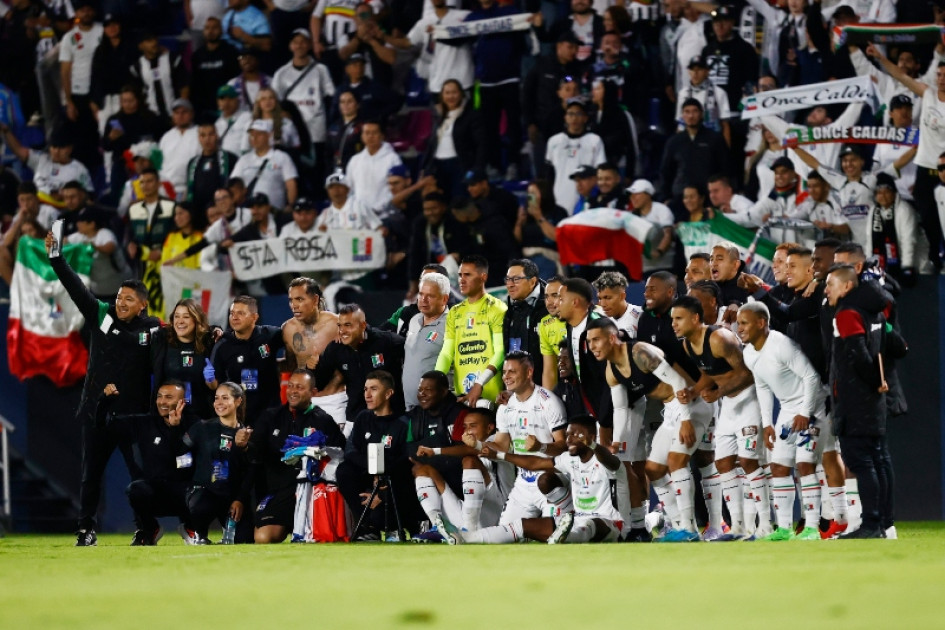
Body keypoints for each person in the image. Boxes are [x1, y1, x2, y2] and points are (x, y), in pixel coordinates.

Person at [44, 231, 162, 546]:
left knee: (140, 474)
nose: (120, 302)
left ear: (142, 305)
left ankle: (146, 528)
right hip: (98, 411)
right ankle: (85, 530)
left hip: (134, 415)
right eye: (119, 297)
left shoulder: (152, 328)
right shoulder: (102, 314)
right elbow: (75, 287)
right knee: (90, 474)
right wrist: (56, 257)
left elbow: (152, 345)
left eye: (128, 299)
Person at [439, 414, 628, 545]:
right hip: (576, 520)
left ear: (591, 437)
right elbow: (535, 463)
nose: (568, 439)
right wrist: (500, 456)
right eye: (568, 434)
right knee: (523, 526)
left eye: (575, 435)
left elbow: (609, 460)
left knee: (588, 526)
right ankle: (465, 538)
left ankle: (563, 537)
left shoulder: (609, 464)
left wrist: (593, 445)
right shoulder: (569, 460)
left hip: (611, 523)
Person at [672, 295, 770, 539]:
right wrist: (694, 391)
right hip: (728, 403)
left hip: (749, 399)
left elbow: (747, 373)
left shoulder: (719, 338)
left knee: (748, 462)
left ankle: (765, 525)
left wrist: (717, 392)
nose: (674, 323)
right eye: (673, 319)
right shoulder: (688, 345)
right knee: (723, 463)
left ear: (695, 318)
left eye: (679, 318)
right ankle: (737, 527)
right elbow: (710, 373)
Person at [737, 301, 829, 541]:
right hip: (788, 410)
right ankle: (785, 529)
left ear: (761, 323)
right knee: (778, 466)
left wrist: (805, 413)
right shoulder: (748, 353)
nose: (740, 328)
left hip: (814, 406)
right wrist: (768, 423)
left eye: (744, 323)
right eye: (738, 323)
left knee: (805, 463)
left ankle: (811, 528)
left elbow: (811, 377)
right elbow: (763, 386)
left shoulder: (782, 345)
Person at [824, 264, 890, 539]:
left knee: (861, 463)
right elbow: (896, 344)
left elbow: (858, 355)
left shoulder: (847, 314)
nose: (826, 290)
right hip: (872, 400)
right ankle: (883, 523)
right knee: (874, 460)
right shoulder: (874, 312)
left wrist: (873, 380)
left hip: (854, 400)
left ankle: (871, 525)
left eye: (830, 284)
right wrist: (880, 381)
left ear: (847, 286)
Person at [866, 42, 945, 269]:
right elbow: (900, 76)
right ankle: (934, 256)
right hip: (925, 168)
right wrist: (880, 57)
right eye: (938, 74)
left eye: (944, 75)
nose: (940, 78)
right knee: (928, 219)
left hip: (944, 170)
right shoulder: (927, 94)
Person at [250, 369, 346, 544]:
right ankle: (289, 524)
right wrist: (244, 445)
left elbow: (340, 456)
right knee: (263, 538)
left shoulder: (323, 421)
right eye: (291, 386)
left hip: (312, 492)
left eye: (300, 387)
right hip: (280, 491)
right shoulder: (270, 417)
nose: (293, 391)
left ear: (313, 393)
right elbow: (254, 452)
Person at [335, 370, 414, 540]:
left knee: (403, 476)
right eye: (365, 389)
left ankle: (387, 524)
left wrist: (382, 483)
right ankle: (368, 526)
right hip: (369, 477)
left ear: (388, 393)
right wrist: (375, 470)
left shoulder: (403, 422)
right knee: (344, 470)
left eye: (374, 389)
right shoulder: (363, 417)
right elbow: (350, 451)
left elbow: (405, 459)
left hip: (392, 483)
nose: (367, 395)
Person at [412, 406, 513, 534]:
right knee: (423, 470)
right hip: (471, 514)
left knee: (469, 461)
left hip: (500, 509)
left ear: (489, 428)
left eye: (473, 426)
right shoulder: (466, 446)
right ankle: (438, 526)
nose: (468, 431)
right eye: (465, 427)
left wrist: (435, 451)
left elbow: (473, 450)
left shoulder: (498, 442)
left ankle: (471, 528)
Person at [182, 381, 254, 544]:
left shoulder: (246, 435)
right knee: (200, 505)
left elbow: (250, 471)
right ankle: (195, 531)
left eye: (225, 398)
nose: (219, 403)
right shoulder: (202, 427)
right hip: (205, 493)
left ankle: (229, 529)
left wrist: (240, 499)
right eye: (216, 398)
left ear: (238, 401)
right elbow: (178, 452)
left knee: (245, 540)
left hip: (231, 498)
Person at [434, 254, 508, 407]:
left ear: (483, 277)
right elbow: (447, 352)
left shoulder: (498, 308)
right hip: (462, 395)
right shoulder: (454, 312)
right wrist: (435, 378)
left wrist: (479, 383)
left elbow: (500, 352)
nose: (461, 279)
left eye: (467, 275)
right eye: (460, 275)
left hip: (491, 394)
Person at [314, 303, 406, 423]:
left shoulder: (387, 342)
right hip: (356, 419)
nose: (342, 331)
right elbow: (319, 383)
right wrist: (312, 367)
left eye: (348, 325)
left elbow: (413, 353)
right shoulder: (336, 348)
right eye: (339, 326)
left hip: (389, 417)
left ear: (362, 325)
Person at [207, 296, 286, 423]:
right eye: (232, 313)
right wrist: (209, 379)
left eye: (241, 313)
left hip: (271, 415)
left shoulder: (270, 335)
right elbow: (214, 385)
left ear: (254, 317)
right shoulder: (222, 344)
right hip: (239, 418)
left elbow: (294, 339)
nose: (234, 317)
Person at [151, 298, 217, 419]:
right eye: (177, 316)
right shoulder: (162, 341)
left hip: (201, 415)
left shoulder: (209, 343)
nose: (180, 321)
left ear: (196, 320)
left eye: (186, 317)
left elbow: (215, 387)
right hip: (169, 415)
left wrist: (211, 381)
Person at [58, 1, 103, 172]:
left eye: (89, 9)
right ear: (76, 13)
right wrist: (68, 101)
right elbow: (65, 71)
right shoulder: (69, 37)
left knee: (100, 135)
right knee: (82, 139)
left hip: (100, 91)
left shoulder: (101, 30)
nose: (86, 13)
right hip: (78, 93)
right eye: (82, 10)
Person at [660, 98, 729, 209]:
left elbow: (725, 168)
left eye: (694, 111)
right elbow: (665, 172)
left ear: (701, 114)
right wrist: (665, 197)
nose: (691, 116)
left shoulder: (715, 138)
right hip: (680, 198)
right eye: (687, 112)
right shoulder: (674, 141)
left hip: (709, 198)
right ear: (682, 115)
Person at [127, 167, 177, 316]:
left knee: (167, 303)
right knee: (144, 301)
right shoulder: (133, 209)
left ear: (158, 184)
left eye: (149, 181)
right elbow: (130, 237)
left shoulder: (171, 206)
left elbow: (174, 235)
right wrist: (130, 246)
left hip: (165, 261)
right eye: (142, 182)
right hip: (143, 264)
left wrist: (162, 252)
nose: (145, 185)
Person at [425, 80, 486, 200]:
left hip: (460, 165)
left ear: (461, 94)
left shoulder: (471, 115)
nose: (450, 96)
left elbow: (481, 143)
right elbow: (432, 144)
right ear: (442, 95)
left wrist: (478, 167)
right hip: (439, 166)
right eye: (447, 93)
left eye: (454, 92)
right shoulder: (439, 117)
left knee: (459, 200)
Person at [544, 98, 605, 214]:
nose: (574, 118)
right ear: (565, 117)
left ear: (585, 118)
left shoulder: (595, 141)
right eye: (570, 113)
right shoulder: (554, 141)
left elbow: (599, 173)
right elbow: (549, 174)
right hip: (558, 200)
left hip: (585, 203)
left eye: (579, 114)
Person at [402, 273, 451, 409]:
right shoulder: (414, 320)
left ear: (444, 299)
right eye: (421, 294)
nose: (423, 300)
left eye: (430, 296)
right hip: (410, 407)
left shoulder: (452, 323)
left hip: (436, 409)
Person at [231, 119, 299, 211]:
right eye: (252, 135)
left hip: (273, 210)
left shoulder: (282, 157)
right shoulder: (244, 160)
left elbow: (291, 184)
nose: (254, 138)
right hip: (248, 210)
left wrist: (291, 205)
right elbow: (234, 184)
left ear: (269, 135)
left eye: (259, 134)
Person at [405, 191, 465, 296]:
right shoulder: (420, 224)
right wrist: (413, 285)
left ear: (443, 207)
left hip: (457, 273)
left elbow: (467, 246)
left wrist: (458, 254)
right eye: (426, 210)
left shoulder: (454, 222)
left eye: (434, 208)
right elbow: (415, 254)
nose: (430, 213)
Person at [64, 207, 127, 300]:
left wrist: (95, 247)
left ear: (92, 224)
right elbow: (64, 241)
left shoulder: (105, 234)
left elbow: (110, 247)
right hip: (97, 291)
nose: (78, 224)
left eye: (81, 221)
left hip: (118, 290)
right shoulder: (79, 236)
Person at [502, 259, 548, 386]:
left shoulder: (550, 307)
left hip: (547, 388)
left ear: (532, 281)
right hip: (520, 389)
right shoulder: (509, 312)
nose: (510, 284)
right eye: (507, 279)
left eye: (516, 279)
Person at [344, 120, 403, 215]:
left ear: (382, 136)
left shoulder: (393, 159)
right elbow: (349, 189)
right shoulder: (354, 160)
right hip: (359, 214)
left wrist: (382, 208)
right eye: (367, 133)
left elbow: (397, 189)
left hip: (385, 214)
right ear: (362, 136)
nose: (370, 136)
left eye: (374, 133)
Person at [513, 179, 567, 279]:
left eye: (533, 193)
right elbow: (518, 239)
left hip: (548, 257)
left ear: (543, 194)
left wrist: (539, 216)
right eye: (528, 193)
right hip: (526, 257)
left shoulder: (557, 212)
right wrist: (519, 223)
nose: (530, 197)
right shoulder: (527, 213)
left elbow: (557, 237)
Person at [186, 120, 239, 221]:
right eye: (203, 135)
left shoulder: (230, 158)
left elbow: (235, 190)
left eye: (211, 134)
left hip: (223, 213)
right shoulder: (192, 163)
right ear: (198, 138)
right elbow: (190, 191)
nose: (207, 139)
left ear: (217, 136)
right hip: (200, 215)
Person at [189, 17, 242, 117]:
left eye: (214, 28)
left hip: (227, 105)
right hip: (204, 107)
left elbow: (237, 80)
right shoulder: (197, 55)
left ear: (221, 30)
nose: (210, 31)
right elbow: (194, 83)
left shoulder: (231, 52)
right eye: (207, 28)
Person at [131, 32, 190, 121]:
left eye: (155, 39)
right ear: (141, 46)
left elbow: (184, 87)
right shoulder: (137, 67)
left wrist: (182, 111)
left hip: (174, 114)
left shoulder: (173, 59)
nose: (154, 43)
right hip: (151, 117)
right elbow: (137, 93)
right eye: (149, 41)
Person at [676, 54, 730, 144]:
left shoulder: (719, 93)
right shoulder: (683, 94)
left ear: (707, 71)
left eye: (699, 69)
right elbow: (680, 124)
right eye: (692, 69)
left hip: (711, 143)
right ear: (689, 71)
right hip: (689, 143)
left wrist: (726, 151)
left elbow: (725, 125)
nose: (695, 73)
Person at [628, 179, 675, 273]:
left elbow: (668, 234)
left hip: (663, 266)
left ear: (648, 195)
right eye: (631, 195)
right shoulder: (632, 216)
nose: (633, 198)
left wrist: (659, 251)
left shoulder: (661, 210)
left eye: (637, 194)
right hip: (642, 268)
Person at [537, 275, 568, 390]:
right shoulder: (545, 325)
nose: (549, 302)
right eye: (546, 297)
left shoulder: (590, 317)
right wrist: (548, 404)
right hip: (570, 387)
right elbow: (550, 372)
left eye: (555, 296)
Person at [592, 270, 642, 335]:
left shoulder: (641, 316)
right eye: (600, 298)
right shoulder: (598, 319)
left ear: (622, 296)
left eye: (607, 298)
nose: (603, 304)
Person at [215, 85, 254, 156]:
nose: (226, 103)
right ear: (218, 102)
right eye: (222, 99)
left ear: (237, 100)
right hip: (223, 163)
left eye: (230, 98)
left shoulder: (247, 117)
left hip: (240, 161)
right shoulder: (217, 123)